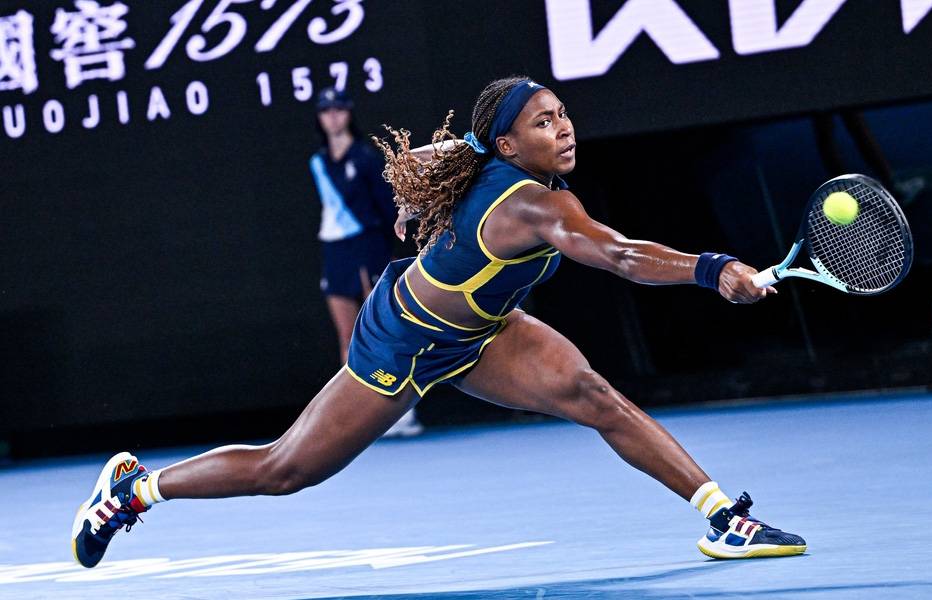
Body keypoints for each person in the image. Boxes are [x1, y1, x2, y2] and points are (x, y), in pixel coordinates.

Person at [70, 76, 805, 569]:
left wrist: (416, 199)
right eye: (542, 122)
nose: (562, 129)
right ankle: (132, 491)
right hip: (401, 337)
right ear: (510, 146)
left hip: (482, 332)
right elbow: (616, 255)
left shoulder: (484, 154)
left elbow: (425, 160)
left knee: (594, 397)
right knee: (286, 469)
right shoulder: (539, 206)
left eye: (563, 115)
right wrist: (713, 270)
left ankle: (723, 518)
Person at [310, 86, 422, 438]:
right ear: (320, 117)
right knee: (346, 335)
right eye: (326, 111)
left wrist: (385, 244)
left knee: (379, 329)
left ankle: (399, 412)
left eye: (339, 110)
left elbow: (386, 208)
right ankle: (355, 419)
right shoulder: (318, 162)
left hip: (368, 246)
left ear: (348, 114)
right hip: (335, 252)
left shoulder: (365, 158)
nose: (333, 116)